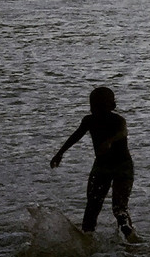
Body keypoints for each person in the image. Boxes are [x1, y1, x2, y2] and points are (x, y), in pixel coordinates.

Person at [50, 86, 139, 241]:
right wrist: (60, 153)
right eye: (93, 106)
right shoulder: (89, 120)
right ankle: (87, 239)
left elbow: (123, 132)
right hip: (102, 167)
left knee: (119, 209)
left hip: (122, 167)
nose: (96, 110)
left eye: (100, 106)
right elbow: (76, 135)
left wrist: (109, 141)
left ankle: (129, 236)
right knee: (92, 206)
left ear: (112, 106)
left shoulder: (118, 120)